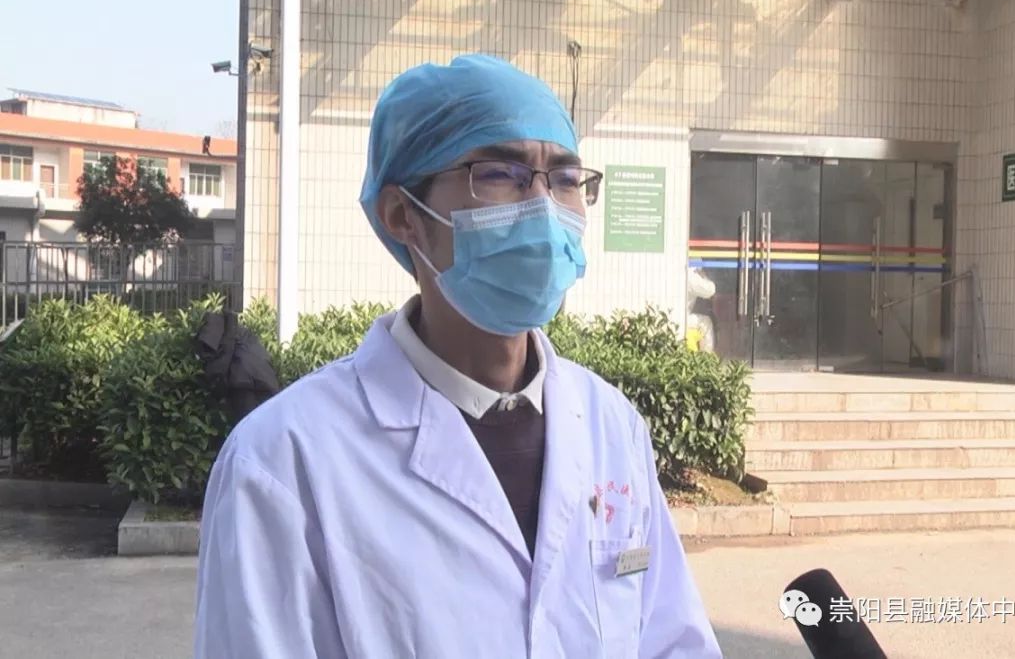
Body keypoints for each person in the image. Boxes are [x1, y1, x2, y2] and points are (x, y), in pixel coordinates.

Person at [193, 54, 723, 659]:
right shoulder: (283, 462)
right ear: (403, 216)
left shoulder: (611, 425)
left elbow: (673, 641)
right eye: (500, 173)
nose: (544, 206)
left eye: (565, 178)